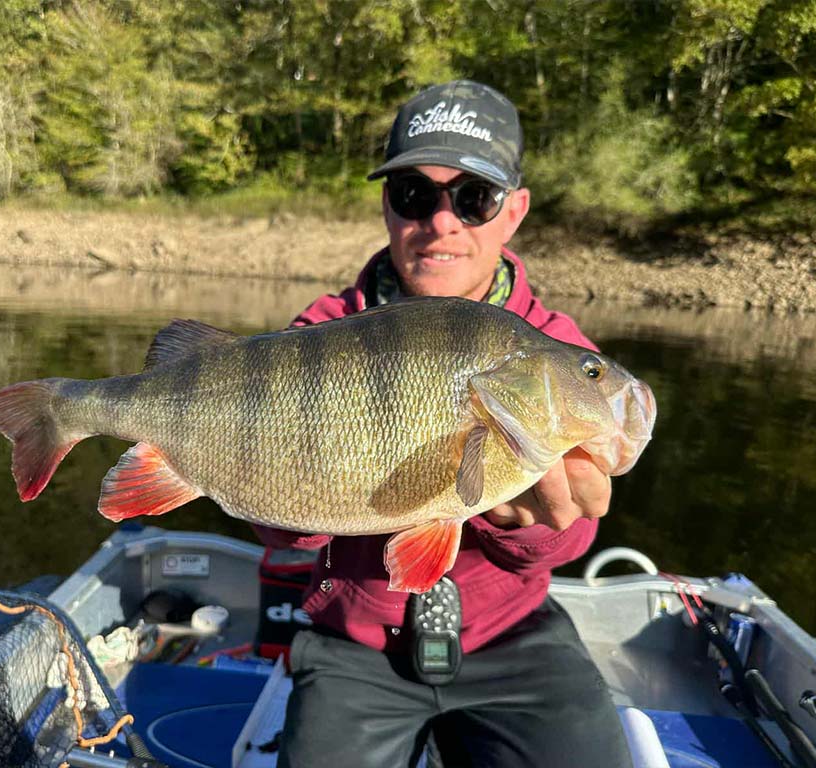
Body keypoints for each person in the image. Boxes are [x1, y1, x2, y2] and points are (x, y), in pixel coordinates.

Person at [254, 80, 631, 768]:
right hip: (353, 640)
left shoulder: (556, 352)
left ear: (513, 211)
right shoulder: (319, 336)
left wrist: (525, 525)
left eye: (474, 197)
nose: (442, 222)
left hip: (511, 634)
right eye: (414, 194)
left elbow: (571, 537)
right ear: (388, 206)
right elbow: (279, 532)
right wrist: (299, 500)